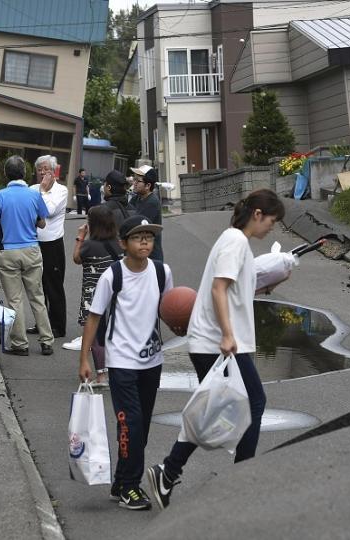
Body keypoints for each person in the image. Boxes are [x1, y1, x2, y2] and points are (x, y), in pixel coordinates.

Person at [146, 189, 287, 510]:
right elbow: (218, 287)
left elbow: (235, 287)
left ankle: (168, 471)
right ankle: (238, 481)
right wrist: (226, 334)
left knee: (217, 411)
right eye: (272, 221)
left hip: (217, 341)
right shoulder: (235, 241)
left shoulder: (237, 243)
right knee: (252, 403)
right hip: (217, 342)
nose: (271, 228)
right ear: (257, 215)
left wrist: (268, 284)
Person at [78, 215, 173, 511]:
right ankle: (130, 488)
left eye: (149, 236)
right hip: (121, 361)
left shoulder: (162, 272)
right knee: (129, 423)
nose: (145, 241)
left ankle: (121, 480)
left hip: (151, 360)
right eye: (137, 237)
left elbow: (170, 309)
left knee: (140, 427)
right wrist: (84, 359)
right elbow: (94, 316)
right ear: (123, 243)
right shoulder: (113, 275)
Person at [0, 155, 54, 356]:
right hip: (32, 249)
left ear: (6, 174)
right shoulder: (34, 195)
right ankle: (47, 341)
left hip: (8, 251)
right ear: (24, 174)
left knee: (14, 300)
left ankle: (20, 344)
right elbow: (42, 222)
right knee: (37, 297)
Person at [65, 206, 123, 381]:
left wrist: (80, 237)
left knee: (96, 335)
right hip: (116, 295)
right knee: (115, 332)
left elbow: (76, 258)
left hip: (93, 295)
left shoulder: (89, 245)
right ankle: (117, 368)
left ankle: (101, 374)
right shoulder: (119, 244)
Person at [28, 155, 68, 338]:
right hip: (34, 243)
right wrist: (40, 191)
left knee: (54, 286)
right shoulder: (32, 189)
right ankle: (41, 323)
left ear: (53, 172)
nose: (42, 173)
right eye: (39, 169)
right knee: (37, 287)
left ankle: (58, 326)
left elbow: (49, 211)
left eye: (46, 169)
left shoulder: (61, 191)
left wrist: (43, 191)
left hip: (53, 244)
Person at [130, 168, 163, 262]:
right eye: (134, 179)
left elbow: (134, 224)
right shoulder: (137, 198)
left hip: (151, 256)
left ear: (148, 185)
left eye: (138, 181)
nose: (134, 183)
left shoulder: (152, 202)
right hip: (140, 253)